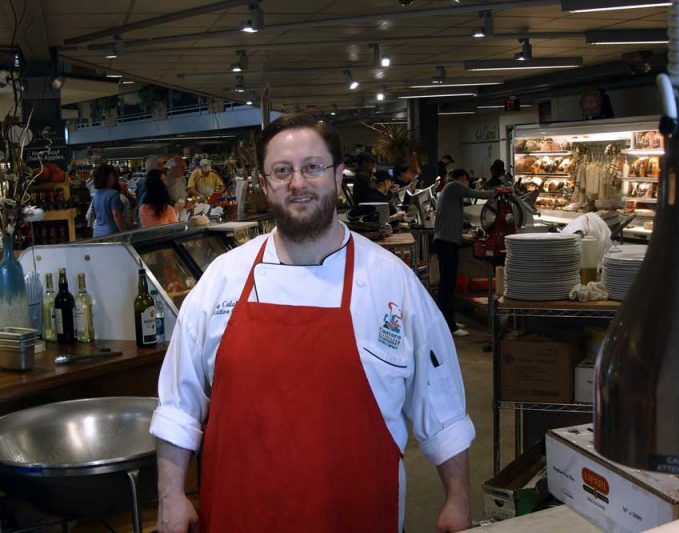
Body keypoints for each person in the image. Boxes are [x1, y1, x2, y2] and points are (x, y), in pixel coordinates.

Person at [151, 114, 474, 533]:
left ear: (338, 176)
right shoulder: (223, 280)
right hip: (238, 515)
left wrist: (457, 500)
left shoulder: (392, 282)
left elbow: (442, 407)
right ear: (265, 185)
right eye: (282, 171)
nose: (297, 183)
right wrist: (170, 497)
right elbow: (178, 403)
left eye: (312, 167)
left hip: (358, 516)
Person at [435, 169, 497, 337]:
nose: (467, 184)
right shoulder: (454, 186)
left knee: (447, 285)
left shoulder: (450, 191)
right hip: (447, 243)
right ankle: (449, 326)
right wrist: (498, 191)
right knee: (447, 285)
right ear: (463, 179)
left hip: (446, 242)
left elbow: (457, 214)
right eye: (467, 181)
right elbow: (478, 194)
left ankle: (447, 321)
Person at [89, 164, 125, 238]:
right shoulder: (114, 193)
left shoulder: (96, 194)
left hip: (97, 232)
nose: (114, 178)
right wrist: (124, 232)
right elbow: (116, 215)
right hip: (111, 232)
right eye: (112, 175)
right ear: (106, 177)